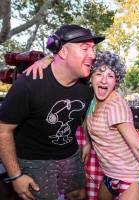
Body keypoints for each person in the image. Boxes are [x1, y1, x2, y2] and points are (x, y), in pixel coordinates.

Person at [0, 24, 104, 200]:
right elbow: (3, 131)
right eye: (85, 48)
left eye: (93, 49)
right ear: (63, 53)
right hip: (34, 159)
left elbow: (85, 115)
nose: (93, 55)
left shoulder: (87, 84)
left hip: (70, 154)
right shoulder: (29, 84)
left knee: (78, 194)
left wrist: (87, 141)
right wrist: (16, 176)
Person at [85, 51, 139, 200]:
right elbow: (88, 121)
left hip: (132, 178)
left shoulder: (115, 106)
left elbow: (138, 148)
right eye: (99, 74)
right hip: (109, 175)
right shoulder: (92, 100)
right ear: (91, 77)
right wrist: (87, 143)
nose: (104, 80)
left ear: (116, 82)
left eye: (110, 76)